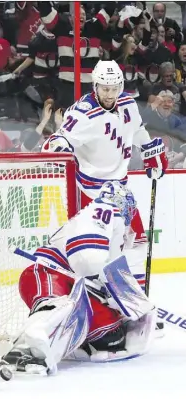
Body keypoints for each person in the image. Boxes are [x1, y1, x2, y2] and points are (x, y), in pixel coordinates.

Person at [0, 182, 157, 378]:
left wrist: (126, 304)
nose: (130, 213)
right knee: (57, 306)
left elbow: (104, 272)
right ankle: (25, 344)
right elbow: (87, 257)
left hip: (78, 288)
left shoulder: (113, 230)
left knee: (111, 337)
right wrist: (106, 287)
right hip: (49, 275)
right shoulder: (103, 211)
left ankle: (44, 349)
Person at [42, 60, 168, 292]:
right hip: (91, 194)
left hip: (120, 192)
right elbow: (62, 138)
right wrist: (57, 145)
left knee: (136, 244)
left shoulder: (129, 104)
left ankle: (132, 301)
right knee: (93, 255)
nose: (109, 95)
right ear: (96, 87)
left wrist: (149, 149)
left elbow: (138, 130)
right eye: (104, 89)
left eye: (114, 89)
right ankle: (90, 297)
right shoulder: (82, 113)